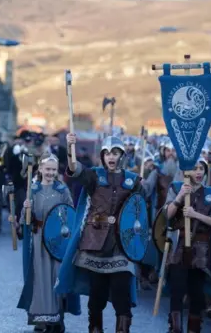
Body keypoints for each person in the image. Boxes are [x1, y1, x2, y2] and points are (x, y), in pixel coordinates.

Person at [56, 133, 157, 333]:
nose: (111, 157)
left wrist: (142, 189)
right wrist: (70, 148)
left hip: (121, 245)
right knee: (97, 297)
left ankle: (122, 330)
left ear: (122, 156)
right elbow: (74, 170)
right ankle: (95, 330)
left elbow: (140, 212)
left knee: (122, 296)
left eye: (116, 153)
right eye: (107, 153)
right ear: (102, 156)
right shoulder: (94, 175)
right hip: (95, 243)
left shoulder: (133, 181)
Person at [14, 153, 80, 333]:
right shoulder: (32, 190)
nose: (50, 172)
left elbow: (71, 213)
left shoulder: (62, 190)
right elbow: (24, 222)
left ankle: (58, 318)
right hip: (39, 241)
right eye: (47, 169)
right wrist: (25, 211)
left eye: (53, 169)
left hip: (58, 241)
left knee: (57, 278)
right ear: (40, 169)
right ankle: (43, 318)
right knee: (41, 279)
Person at [163, 157, 211, 332]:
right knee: (177, 289)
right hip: (179, 247)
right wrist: (181, 196)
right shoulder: (175, 188)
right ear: (186, 172)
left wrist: (194, 214)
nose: (199, 172)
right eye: (195, 168)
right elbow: (167, 215)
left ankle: (193, 329)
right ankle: (174, 328)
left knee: (197, 294)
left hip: (201, 249)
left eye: (202, 168)